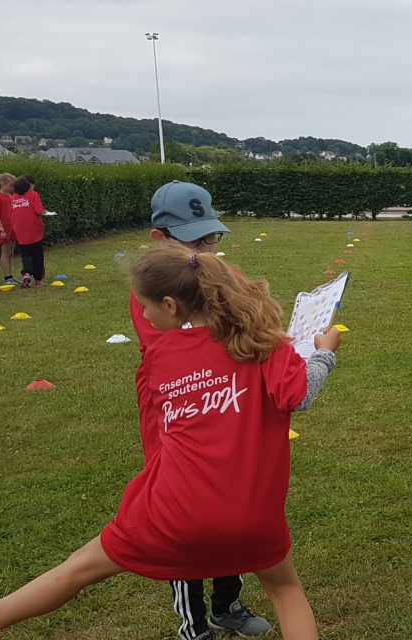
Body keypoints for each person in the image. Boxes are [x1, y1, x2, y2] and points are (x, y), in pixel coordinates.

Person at [0, 245, 340, 640]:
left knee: (78, 568)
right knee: (286, 591)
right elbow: (297, 395)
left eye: (145, 307)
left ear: (170, 305)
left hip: (171, 514)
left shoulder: (160, 357)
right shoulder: (265, 346)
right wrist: (322, 356)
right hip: (252, 517)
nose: (143, 316)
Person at [134, 181, 273, 640]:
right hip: (179, 428)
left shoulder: (218, 273)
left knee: (231, 506)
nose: (207, 249)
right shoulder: (156, 291)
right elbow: (180, 354)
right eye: (194, 241)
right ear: (161, 239)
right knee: (186, 521)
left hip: (226, 416)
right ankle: (193, 626)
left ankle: (227, 604)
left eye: (211, 238)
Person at [8, 177, 45, 288]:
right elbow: (39, 210)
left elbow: (10, 213)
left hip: (20, 230)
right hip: (34, 229)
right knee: (38, 254)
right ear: (28, 186)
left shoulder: (13, 197)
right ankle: (38, 279)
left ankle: (27, 273)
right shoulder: (33, 194)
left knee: (26, 254)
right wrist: (47, 212)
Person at [0, 173, 19, 286]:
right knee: (5, 252)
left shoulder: (9, 196)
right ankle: (7, 277)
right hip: (3, 229)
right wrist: (2, 230)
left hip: (11, 227)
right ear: (3, 184)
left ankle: (11, 275)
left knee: (11, 252)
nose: (12, 188)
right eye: (11, 185)